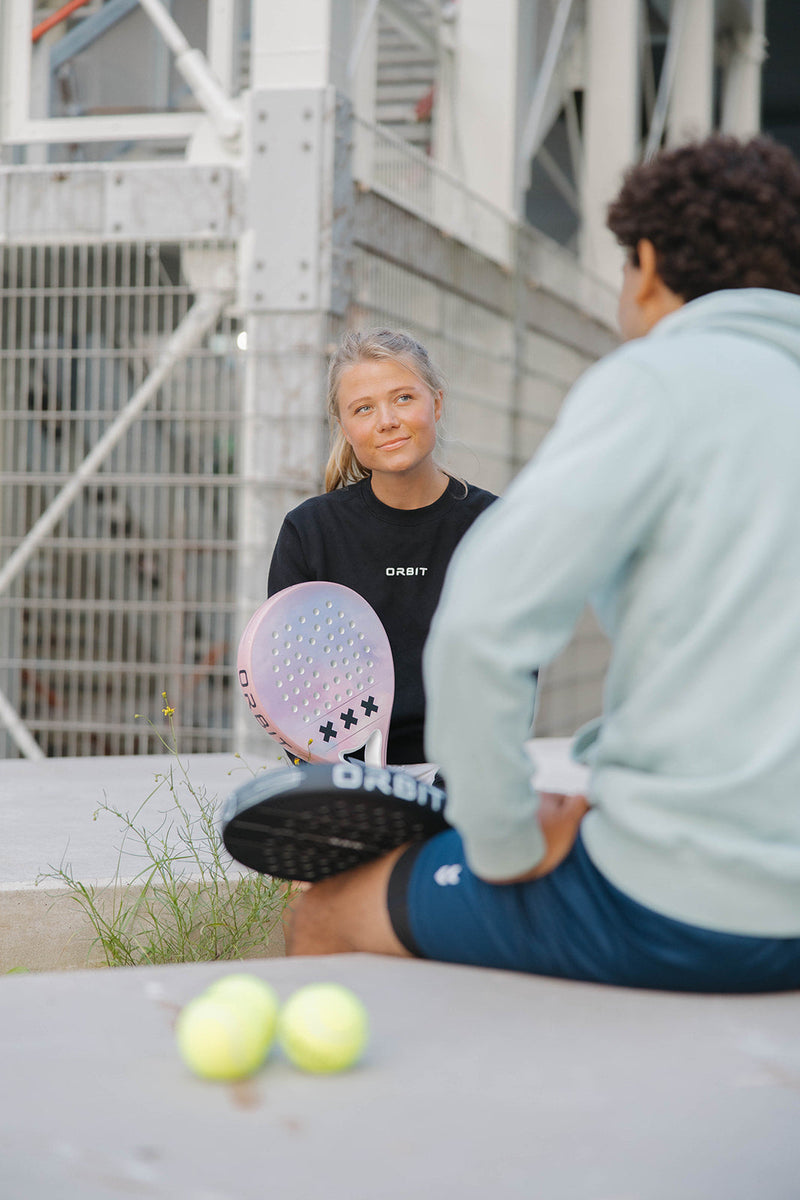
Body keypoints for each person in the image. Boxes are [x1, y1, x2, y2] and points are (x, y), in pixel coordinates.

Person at [284, 133, 800, 993]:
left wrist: (505, 840)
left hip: (692, 903)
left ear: (645, 265)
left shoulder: (656, 381)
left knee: (324, 912)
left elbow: (481, 634)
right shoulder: (318, 525)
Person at [267, 328, 497, 773]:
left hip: (471, 777)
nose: (387, 420)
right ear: (344, 425)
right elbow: (291, 689)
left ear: (437, 403)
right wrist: (345, 788)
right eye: (363, 408)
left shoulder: (493, 527)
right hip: (346, 781)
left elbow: (514, 677)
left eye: (404, 398)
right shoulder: (310, 531)